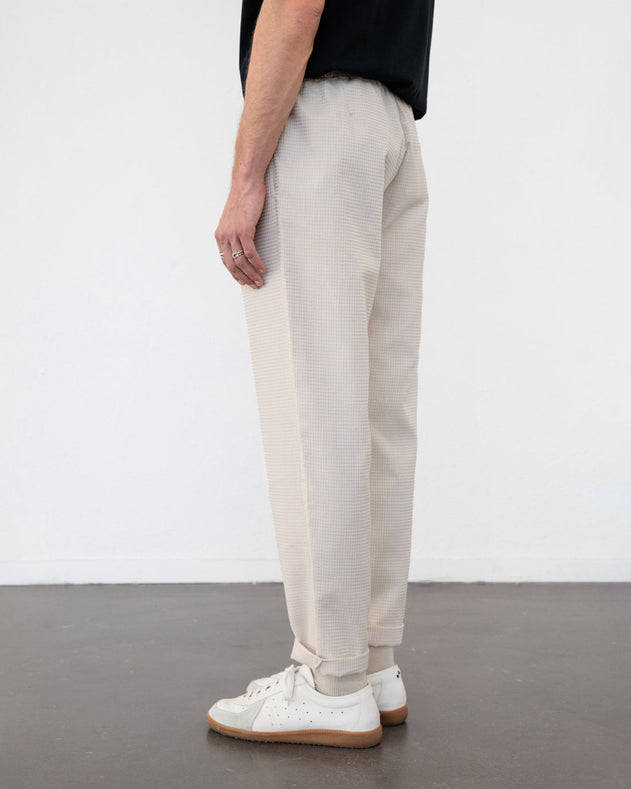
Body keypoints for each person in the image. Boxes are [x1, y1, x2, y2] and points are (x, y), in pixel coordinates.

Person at [208, 0, 435, 748]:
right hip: (392, 127)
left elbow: (295, 7)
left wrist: (247, 176)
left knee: (316, 407)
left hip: (320, 119)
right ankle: (371, 660)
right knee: (375, 409)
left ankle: (330, 680)